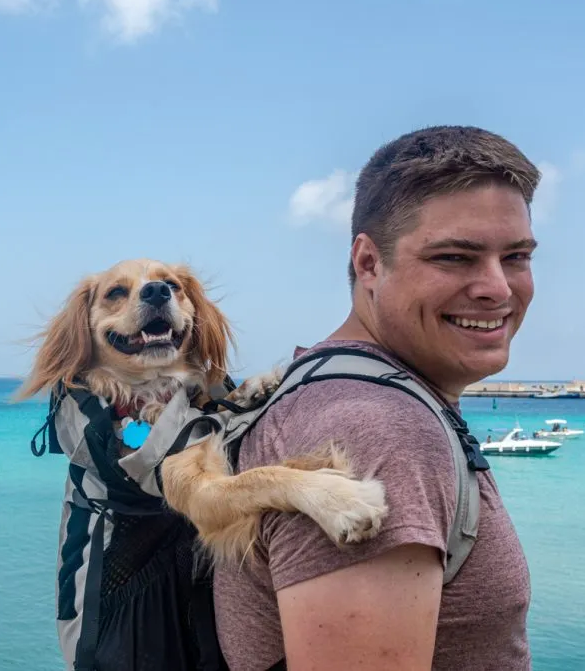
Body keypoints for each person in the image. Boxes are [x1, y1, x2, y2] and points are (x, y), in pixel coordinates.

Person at [212, 125, 540, 670]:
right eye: (455, 258)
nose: (497, 288)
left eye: (517, 257)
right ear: (368, 263)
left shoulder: (313, 377)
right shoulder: (378, 431)